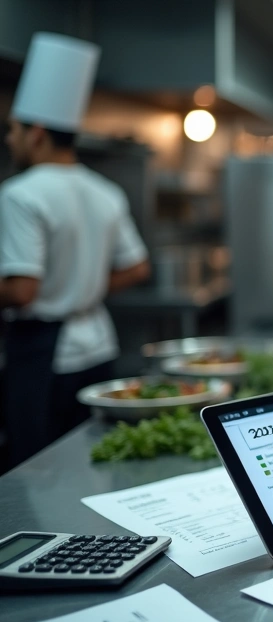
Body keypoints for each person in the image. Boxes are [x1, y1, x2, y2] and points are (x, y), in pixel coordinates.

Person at [1, 33, 150, 468]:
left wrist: (53, 289)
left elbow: (23, 291)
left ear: (38, 134)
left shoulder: (20, 193)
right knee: (91, 463)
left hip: (45, 353)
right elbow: (138, 267)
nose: (9, 141)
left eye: (13, 130)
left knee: (36, 471)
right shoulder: (103, 191)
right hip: (98, 345)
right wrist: (83, 287)